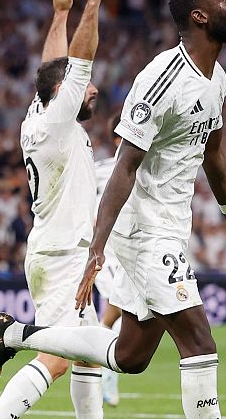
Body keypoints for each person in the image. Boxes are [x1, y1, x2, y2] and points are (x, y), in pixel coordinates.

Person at [0, 0, 226, 418]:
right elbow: (124, 166)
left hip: (168, 227)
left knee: (129, 357)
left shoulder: (217, 79)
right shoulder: (161, 79)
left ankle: (14, 335)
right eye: (225, 0)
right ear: (200, 16)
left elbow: (212, 147)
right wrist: (98, 249)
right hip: (142, 232)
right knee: (198, 341)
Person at [0, 0, 106, 419]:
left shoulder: (38, 114)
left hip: (56, 251)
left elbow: (52, 65)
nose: (93, 90)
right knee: (56, 357)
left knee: (88, 358)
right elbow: (79, 60)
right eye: (83, 87)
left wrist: (59, 13)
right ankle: (7, 338)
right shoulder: (57, 122)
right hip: (62, 256)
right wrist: (92, 3)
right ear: (63, 93)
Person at [92, 114, 125, 406]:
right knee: (116, 308)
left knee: (122, 312)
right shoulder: (99, 170)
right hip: (106, 252)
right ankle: (102, 370)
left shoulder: (139, 168)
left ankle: (99, 364)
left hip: (129, 252)